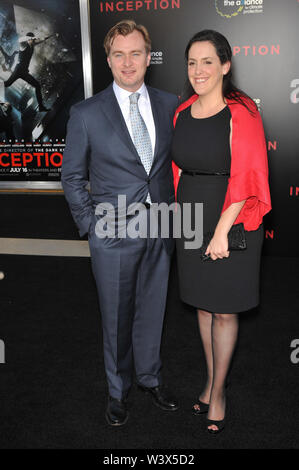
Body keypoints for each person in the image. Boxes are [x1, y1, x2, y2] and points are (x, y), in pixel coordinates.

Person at [62, 20, 179, 426]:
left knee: (153, 309)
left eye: (135, 53)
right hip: (111, 232)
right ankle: (117, 391)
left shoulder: (171, 104)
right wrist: (91, 226)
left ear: (149, 57)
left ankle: (150, 379)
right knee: (115, 317)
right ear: (108, 59)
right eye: (118, 54)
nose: (127, 62)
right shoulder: (86, 113)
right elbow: (72, 177)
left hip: (160, 226)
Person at [171, 30, 271, 434]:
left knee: (225, 309)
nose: (198, 70)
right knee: (203, 304)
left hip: (231, 214)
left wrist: (220, 233)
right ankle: (211, 382)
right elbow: (177, 171)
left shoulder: (242, 111)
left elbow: (247, 175)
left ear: (226, 65)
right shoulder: (182, 112)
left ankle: (220, 392)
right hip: (192, 213)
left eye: (207, 61)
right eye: (192, 62)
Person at [2, 32, 52, 112]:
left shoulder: (32, 45)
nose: (32, 41)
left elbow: (42, 39)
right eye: (30, 39)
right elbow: (20, 40)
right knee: (8, 83)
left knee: (37, 85)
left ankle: (41, 107)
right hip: (18, 70)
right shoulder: (23, 45)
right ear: (28, 39)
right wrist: (29, 38)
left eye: (32, 40)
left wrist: (50, 35)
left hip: (24, 72)